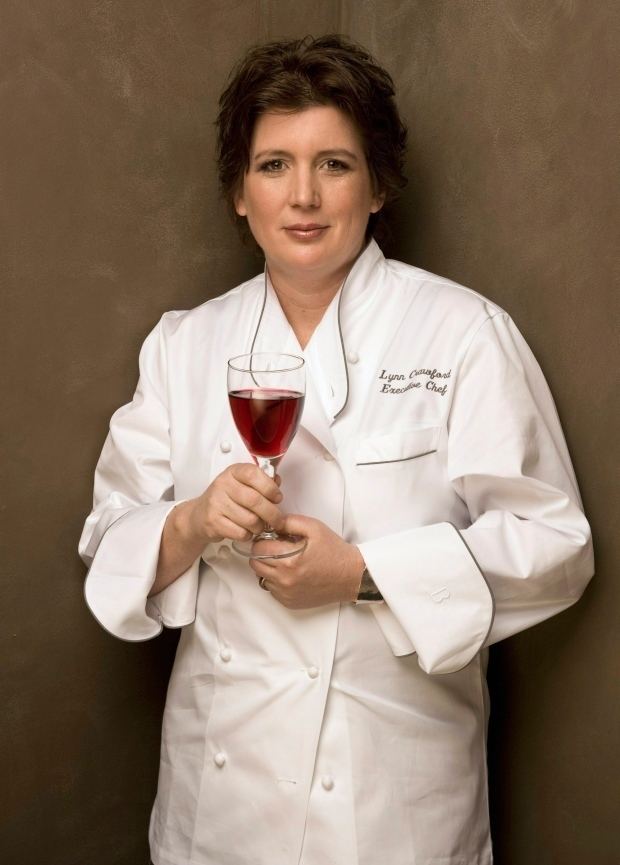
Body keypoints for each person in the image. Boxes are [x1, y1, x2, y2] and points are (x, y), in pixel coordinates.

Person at [79, 34, 594, 865]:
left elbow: (554, 546)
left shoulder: (463, 332)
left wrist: (361, 575)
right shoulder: (184, 346)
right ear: (239, 193)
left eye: (336, 165)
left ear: (380, 184)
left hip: (392, 804)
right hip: (222, 804)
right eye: (274, 165)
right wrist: (193, 522)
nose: (304, 196)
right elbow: (108, 536)